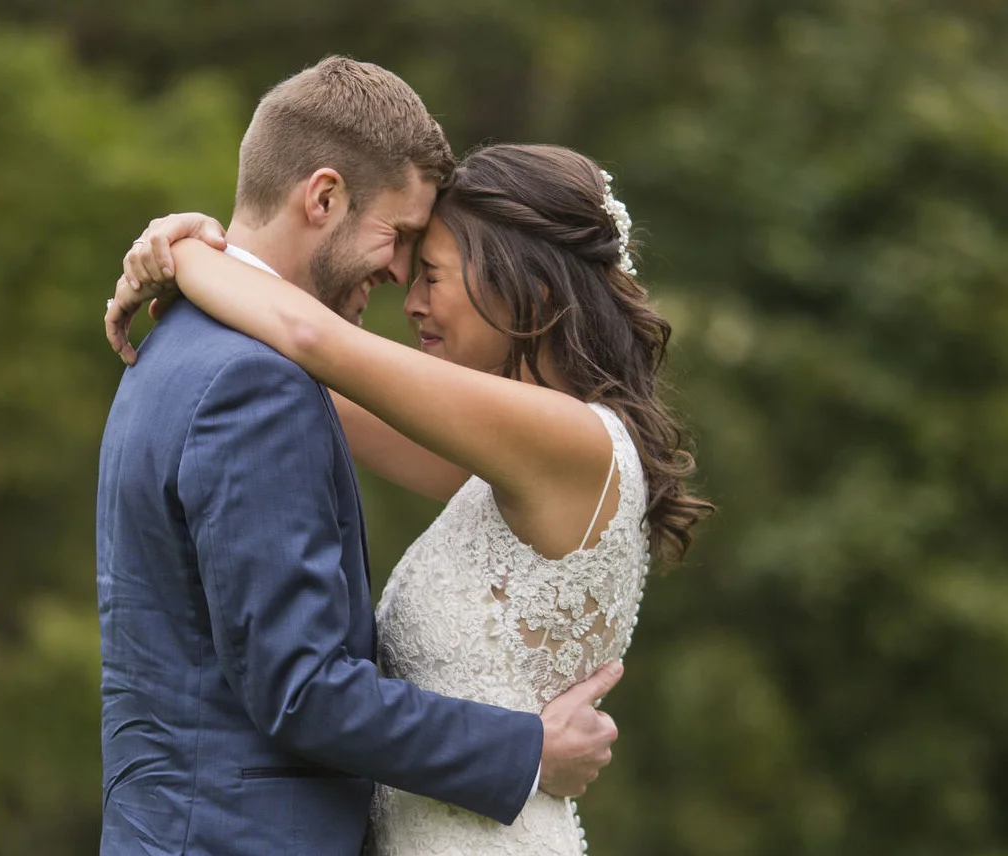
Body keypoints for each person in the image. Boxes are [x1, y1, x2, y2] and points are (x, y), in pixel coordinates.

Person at [105, 141, 714, 854]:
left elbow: (308, 337)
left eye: (430, 274)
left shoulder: (565, 441)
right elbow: (294, 382)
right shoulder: (507, 461)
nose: (411, 299)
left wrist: (189, 252)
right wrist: (194, 253)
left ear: (530, 288)